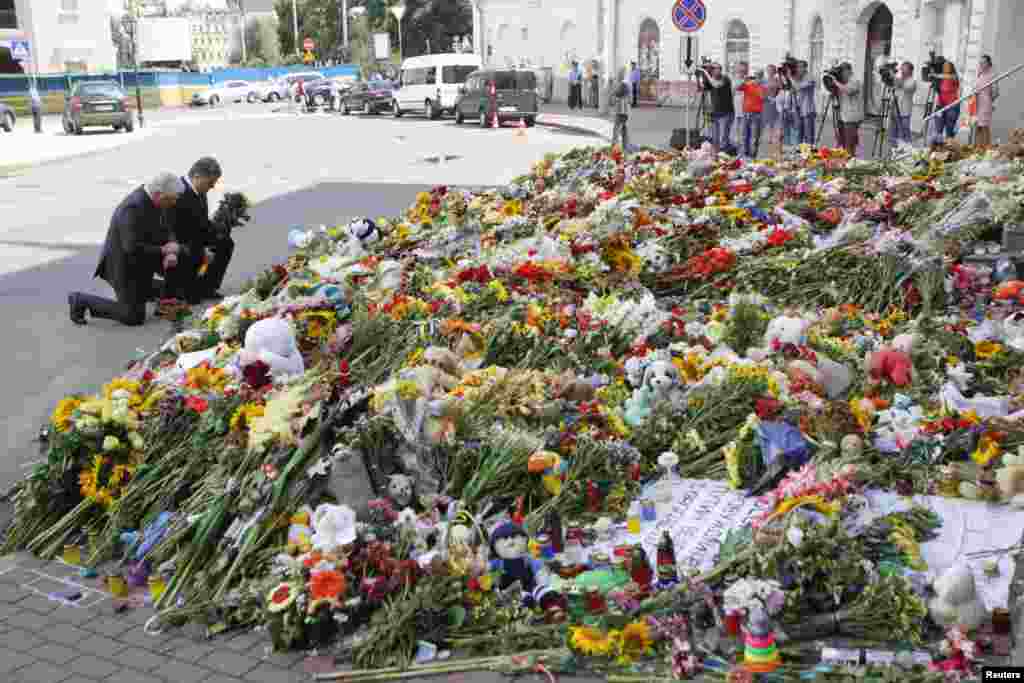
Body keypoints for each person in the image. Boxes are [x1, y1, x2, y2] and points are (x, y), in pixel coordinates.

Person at [69, 173, 184, 326]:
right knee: (133, 316)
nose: (174, 202)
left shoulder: (158, 201)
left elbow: (167, 228)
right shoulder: (132, 208)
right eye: (171, 199)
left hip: (143, 260)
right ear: (159, 194)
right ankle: (80, 300)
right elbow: (131, 247)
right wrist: (164, 251)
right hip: (123, 266)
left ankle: (155, 296)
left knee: (180, 273)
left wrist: (171, 248)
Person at [168, 157, 233, 304]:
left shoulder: (199, 191)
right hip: (177, 242)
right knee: (192, 298)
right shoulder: (179, 192)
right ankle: (183, 288)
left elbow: (201, 222)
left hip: (194, 237)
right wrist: (203, 249)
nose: (212, 187)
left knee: (225, 243)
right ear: (197, 176)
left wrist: (220, 229)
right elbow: (176, 230)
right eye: (211, 182)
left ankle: (207, 287)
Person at [701, 62, 735, 153]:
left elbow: (716, 84)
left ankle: (725, 156)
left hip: (726, 113)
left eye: (714, 68)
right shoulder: (710, 79)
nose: (712, 70)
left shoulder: (725, 78)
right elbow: (700, 89)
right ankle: (717, 157)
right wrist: (700, 77)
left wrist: (705, 73)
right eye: (711, 69)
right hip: (715, 114)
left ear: (720, 69)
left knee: (723, 139)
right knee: (715, 139)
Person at [832, 62, 863, 156]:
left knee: (850, 142)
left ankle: (850, 161)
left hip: (852, 117)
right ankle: (847, 159)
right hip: (843, 115)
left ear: (848, 71)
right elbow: (837, 94)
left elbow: (848, 91)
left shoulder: (855, 80)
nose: (841, 73)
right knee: (843, 141)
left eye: (842, 71)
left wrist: (836, 82)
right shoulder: (843, 81)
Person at [931, 61, 961, 147]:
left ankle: (949, 149)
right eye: (944, 66)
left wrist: (935, 75)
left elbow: (949, 77)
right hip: (940, 105)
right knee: (938, 129)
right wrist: (934, 77)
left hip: (952, 106)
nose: (945, 68)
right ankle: (937, 149)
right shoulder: (940, 79)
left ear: (951, 68)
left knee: (949, 130)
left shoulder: (954, 77)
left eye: (947, 67)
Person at [738, 70, 765, 158]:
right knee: (744, 135)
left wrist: (759, 86)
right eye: (756, 76)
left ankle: (753, 155)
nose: (757, 79)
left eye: (759, 77)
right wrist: (744, 80)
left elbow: (763, 97)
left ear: (761, 77)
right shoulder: (748, 84)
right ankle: (744, 154)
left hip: (756, 114)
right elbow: (737, 88)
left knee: (754, 136)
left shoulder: (762, 87)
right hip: (746, 113)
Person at [974, 55, 999, 148]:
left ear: (988, 64)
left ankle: (986, 148)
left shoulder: (992, 75)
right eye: (980, 62)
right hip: (977, 103)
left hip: (985, 103)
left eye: (983, 62)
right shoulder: (979, 74)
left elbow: (996, 92)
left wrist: (989, 101)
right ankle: (978, 148)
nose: (981, 64)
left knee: (984, 126)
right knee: (977, 127)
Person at [892, 61, 917, 146]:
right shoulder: (898, 79)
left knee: (905, 130)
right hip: (896, 109)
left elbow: (904, 86)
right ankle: (896, 147)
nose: (902, 70)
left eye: (904, 68)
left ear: (910, 71)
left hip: (905, 111)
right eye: (902, 68)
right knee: (895, 131)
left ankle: (907, 147)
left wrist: (893, 76)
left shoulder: (912, 81)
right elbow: (894, 89)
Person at [794, 61, 817, 145]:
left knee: (809, 136)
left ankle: (809, 154)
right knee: (799, 135)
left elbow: (798, 87)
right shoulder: (797, 77)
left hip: (808, 110)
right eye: (797, 67)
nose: (798, 69)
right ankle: (800, 154)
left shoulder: (810, 77)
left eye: (800, 67)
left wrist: (790, 77)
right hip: (799, 110)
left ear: (805, 67)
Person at [611, 68, 632, 153]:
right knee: (624, 129)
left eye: (619, 74)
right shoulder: (626, 83)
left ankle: (614, 147)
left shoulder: (623, 84)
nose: (618, 75)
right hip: (625, 110)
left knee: (617, 129)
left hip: (621, 110)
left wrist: (614, 96)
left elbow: (616, 94)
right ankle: (625, 147)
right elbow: (629, 99)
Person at [762, 65, 781, 152]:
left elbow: (780, 89)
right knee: (764, 120)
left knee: (772, 120)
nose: (770, 72)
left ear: (775, 71)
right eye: (769, 70)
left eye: (772, 70)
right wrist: (766, 97)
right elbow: (761, 90)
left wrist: (776, 98)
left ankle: (771, 137)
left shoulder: (777, 80)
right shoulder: (763, 80)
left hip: (774, 102)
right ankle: (761, 136)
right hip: (765, 102)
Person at [732, 62, 749, 149]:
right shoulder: (734, 79)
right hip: (736, 107)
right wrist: (743, 82)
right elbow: (733, 90)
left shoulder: (748, 80)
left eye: (744, 70)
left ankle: (743, 149)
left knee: (744, 130)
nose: (742, 72)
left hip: (747, 108)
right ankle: (737, 147)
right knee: (736, 129)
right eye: (740, 70)